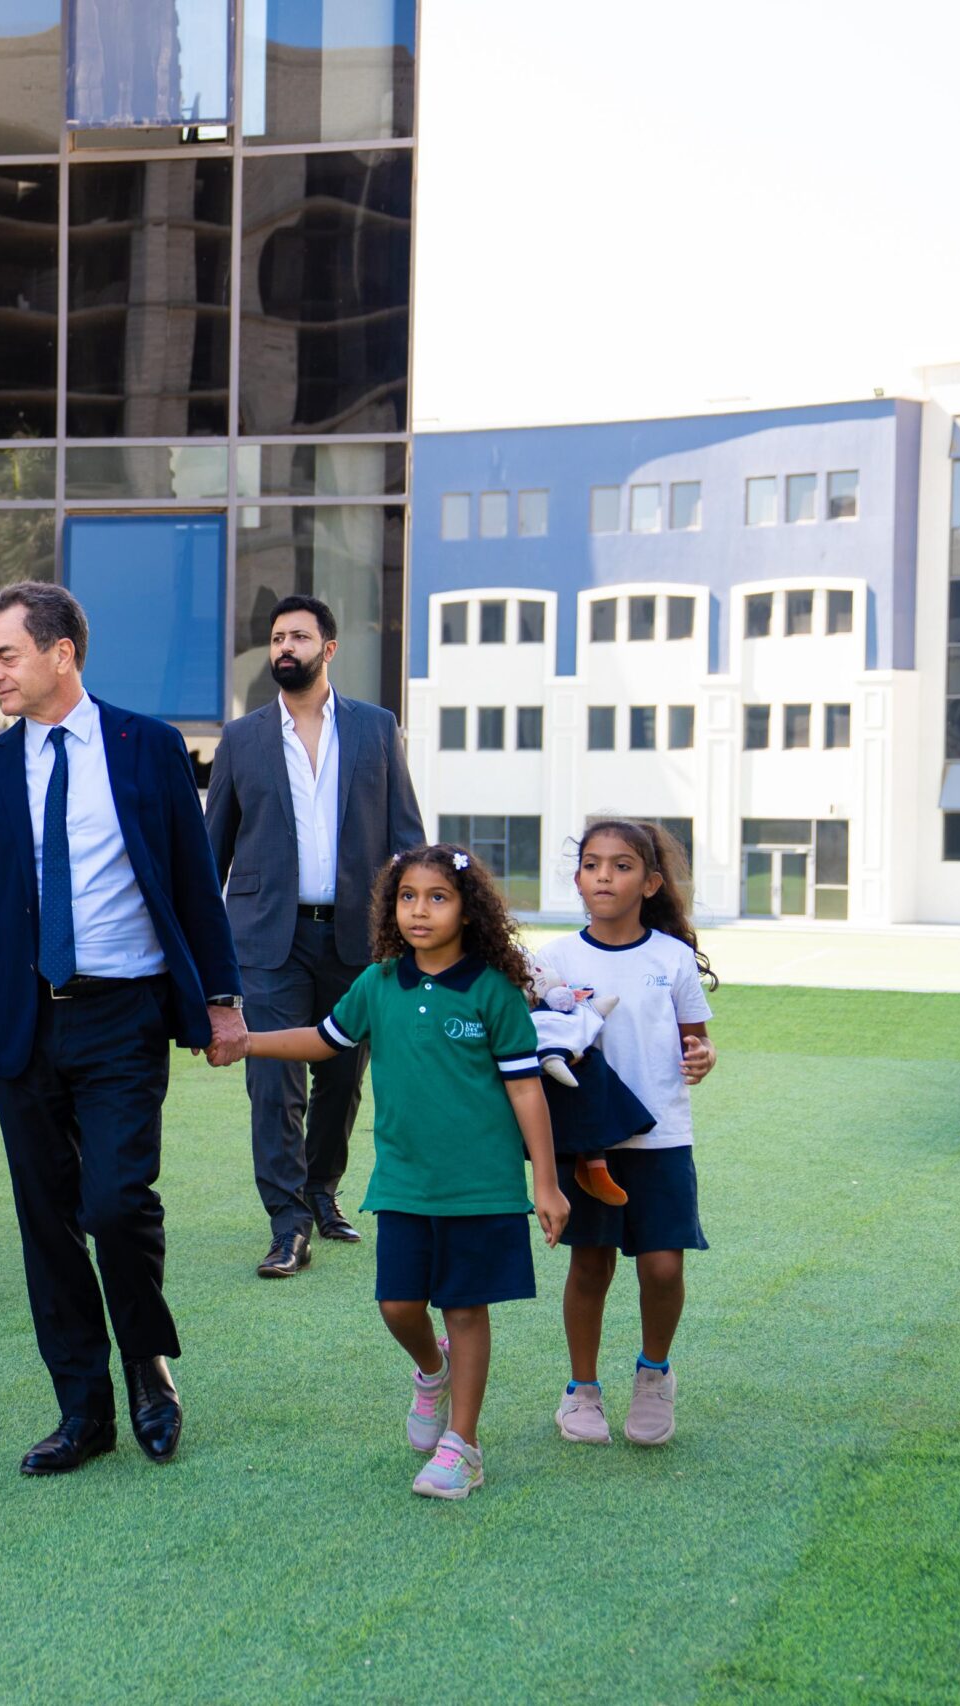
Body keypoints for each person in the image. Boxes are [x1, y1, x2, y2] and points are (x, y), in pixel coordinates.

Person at [0, 582, 245, 1478]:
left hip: (124, 1014)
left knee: (116, 1202)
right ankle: (82, 1410)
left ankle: (148, 1367)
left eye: (6, 655)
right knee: (47, 1220)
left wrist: (222, 998)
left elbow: (193, 881)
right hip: (25, 1021)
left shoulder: (149, 748)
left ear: (61, 653)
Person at [214, 845, 570, 1500]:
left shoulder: (493, 991)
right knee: (398, 1305)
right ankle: (432, 1372)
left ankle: (463, 1446)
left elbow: (526, 1090)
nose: (419, 910)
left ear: (469, 911)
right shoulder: (378, 983)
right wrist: (247, 1042)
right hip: (404, 1180)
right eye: (408, 897)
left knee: (465, 1309)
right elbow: (324, 1040)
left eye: (438, 897)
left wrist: (545, 1183)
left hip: (481, 1185)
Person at [203, 593, 425, 1279]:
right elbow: (212, 852)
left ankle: (322, 1189)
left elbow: (406, 835)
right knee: (272, 1078)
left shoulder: (376, 728)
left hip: (357, 937)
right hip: (265, 938)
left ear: (327, 649)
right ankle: (288, 1222)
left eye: (298, 637)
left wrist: (414, 929)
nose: (284, 648)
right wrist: (206, 952)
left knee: (342, 1075)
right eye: (276, 638)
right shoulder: (241, 739)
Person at [539, 819, 718, 1450]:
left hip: (662, 1136)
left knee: (663, 1267)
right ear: (577, 878)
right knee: (591, 1264)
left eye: (621, 866)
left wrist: (703, 1057)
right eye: (592, 864)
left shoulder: (671, 958)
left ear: (650, 883)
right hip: (589, 1139)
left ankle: (653, 1374)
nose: (604, 877)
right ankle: (581, 1389)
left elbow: (696, 1039)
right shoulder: (554, 959)